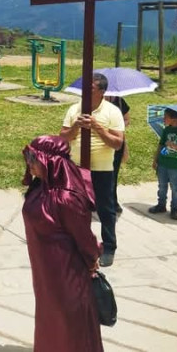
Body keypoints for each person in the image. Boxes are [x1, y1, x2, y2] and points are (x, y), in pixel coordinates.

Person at [22, 135, 102, 352]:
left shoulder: (66, 198)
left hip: (67, 272)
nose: (29, 163)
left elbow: (84, 237)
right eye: (28, 156)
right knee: (50, 316)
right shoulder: (41, 187)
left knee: (68, 320)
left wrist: (93, 259)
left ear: (51, 162)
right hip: (45, 270)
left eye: (34, 158)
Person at [60, 73, 124, 267]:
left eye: (91, 89)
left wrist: (97, 127)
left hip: (102, 169)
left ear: (102, 92)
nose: (85, 92)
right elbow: (63, 137)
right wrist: (75, 127)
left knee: (105, 208)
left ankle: (109, 247)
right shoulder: (74, 109)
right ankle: (79, 243)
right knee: (76, 208)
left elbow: (117, 143)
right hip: (76, 168)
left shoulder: (112, 111)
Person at [149, 107, 177, 220]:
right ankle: (161, 205)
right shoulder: (167, 130)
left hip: (175, 165)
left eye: (165, 117)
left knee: (175, 187)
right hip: (163, 162)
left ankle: (175, 209)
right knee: (162, 186)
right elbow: (161, 145)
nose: (163, 119)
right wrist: (155, 159)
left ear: (174, 119)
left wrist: (176, 146)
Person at [105, 95, 130, 213]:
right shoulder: (94, 101)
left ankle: (113, 201)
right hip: (99, 143)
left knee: (113, 174)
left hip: (116, 143)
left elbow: (127, 119)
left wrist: (117, 127)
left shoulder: (119, 101)